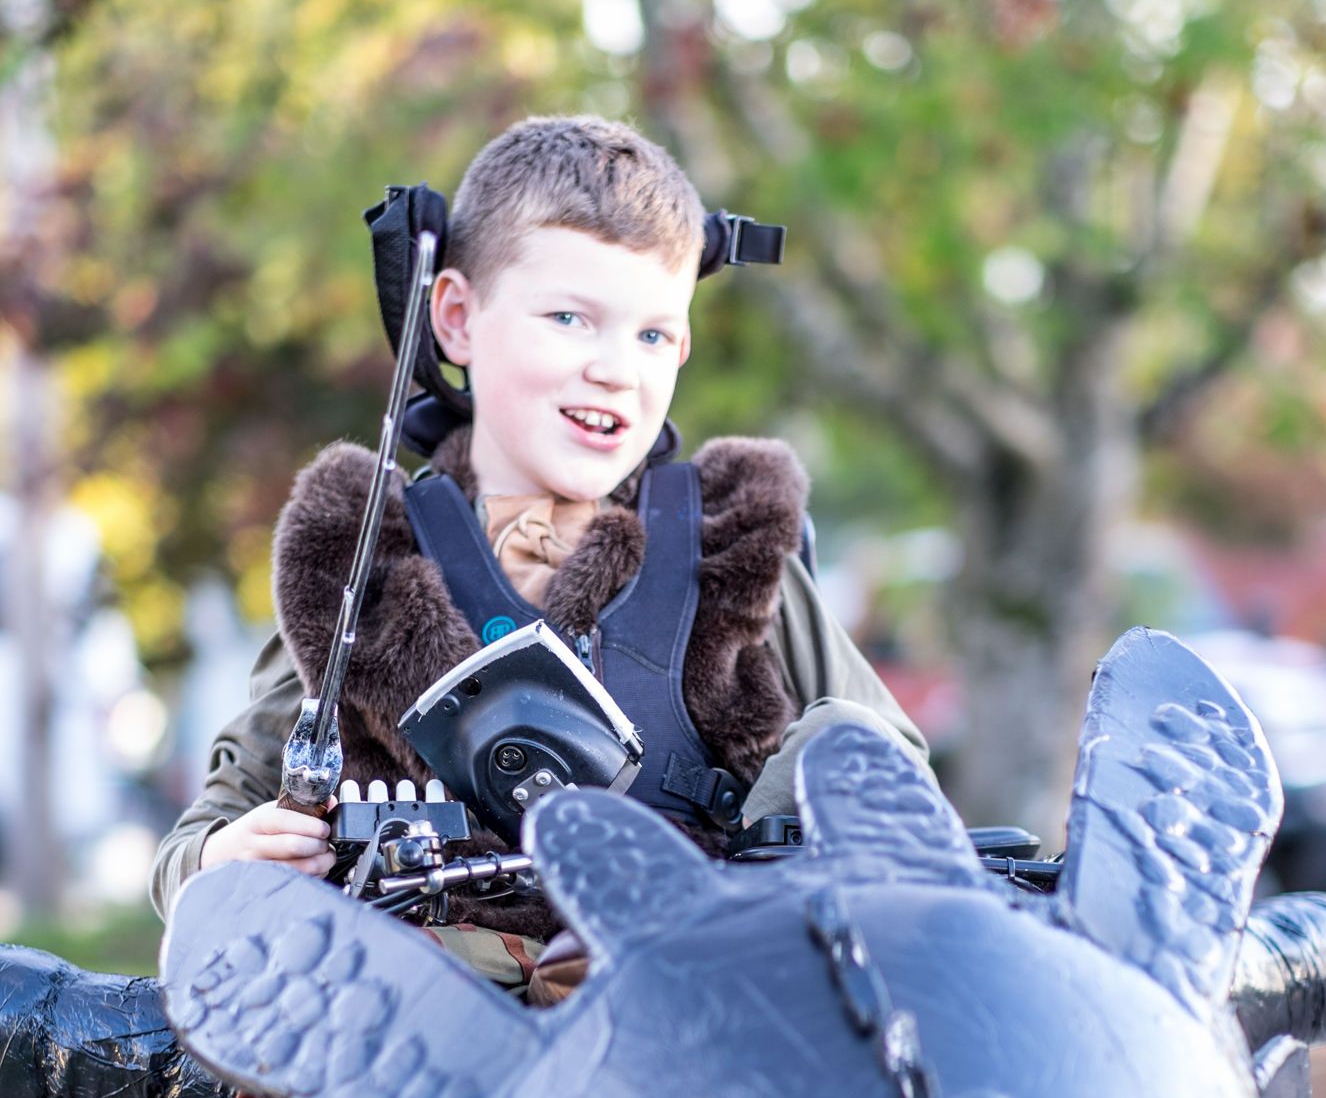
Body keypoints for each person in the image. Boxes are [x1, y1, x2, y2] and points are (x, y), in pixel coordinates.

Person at [150, 114, 929, 998]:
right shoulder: (356, 570)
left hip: (699, 1019)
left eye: (652, 335)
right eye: (569, 318)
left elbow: (888, 762)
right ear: (456, 318)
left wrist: (757, 852)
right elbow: (200, 840)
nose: (616, 369)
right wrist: (226, 856)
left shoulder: (735, 552)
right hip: (429, 1030)